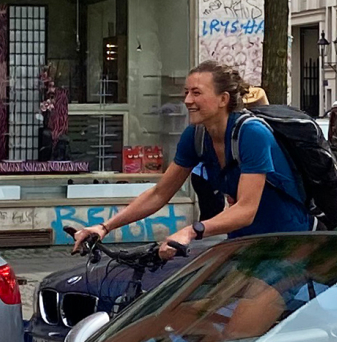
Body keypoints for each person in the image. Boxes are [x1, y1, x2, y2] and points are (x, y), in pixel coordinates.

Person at [70, 60, 312, 258]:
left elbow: (246, 209)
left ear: (223, 99)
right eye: (186, 92)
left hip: (286, 244)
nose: (187, 101)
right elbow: (159, 194)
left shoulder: (252, 134)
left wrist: (191, 231)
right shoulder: (196, 136)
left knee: (241, 317)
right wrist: (104, 227)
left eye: (196, 93)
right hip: (242, 241)